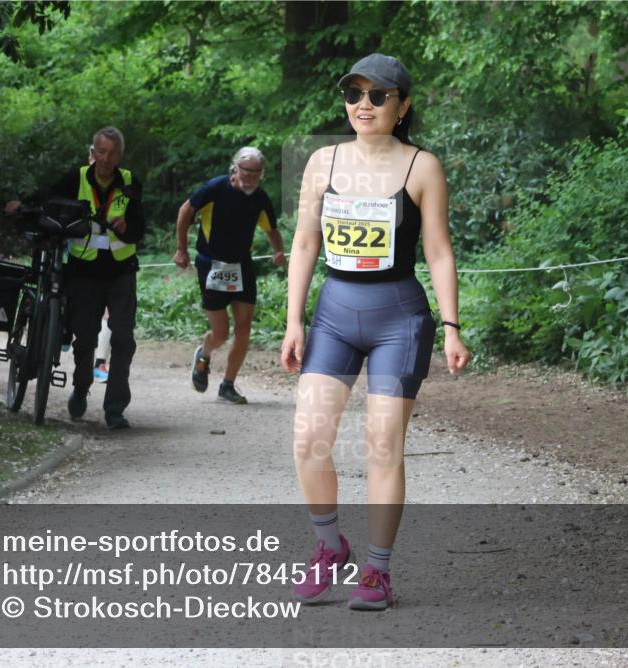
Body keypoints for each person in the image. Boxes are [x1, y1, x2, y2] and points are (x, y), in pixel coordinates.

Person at [280, 54, 471, 610]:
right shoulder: (322, 161)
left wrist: (453, 327)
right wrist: (293, 321)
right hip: (335, 315)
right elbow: (304, 245)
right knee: (308, 439)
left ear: (402, 105)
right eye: (354, 93)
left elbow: (437, 249)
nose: (363, 104)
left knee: (383, 446)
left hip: (399, 319)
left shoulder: (422, 166)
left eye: (378, 95)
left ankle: (378, 571)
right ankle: (327, 547)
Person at [6, 127, 144, 429]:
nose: (106, 159)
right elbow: (46, 201)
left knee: (123, 339)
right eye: (101, 152)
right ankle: (81, 387)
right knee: (84, 338)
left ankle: (115, 409)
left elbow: (140, 228)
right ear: (93, 152)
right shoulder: (76, 177)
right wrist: (23, 207)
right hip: (83, 272)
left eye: (113, 153)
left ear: (120, 156)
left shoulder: (131, 183)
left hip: (121, 272)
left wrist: (127, 226)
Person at [174, 147, 285, 405]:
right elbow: (185, 212)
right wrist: (181, 249)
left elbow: (272, 229)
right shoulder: (215, 188)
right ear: (235, 168)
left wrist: (278, 250)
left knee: (244, 327)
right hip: (212, 264)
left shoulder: (260, 198)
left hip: (242, 265)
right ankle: (204, 353)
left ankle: (228, 385)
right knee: (221, 333)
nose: (251, 178)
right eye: (247, 171)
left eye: (256, 174)